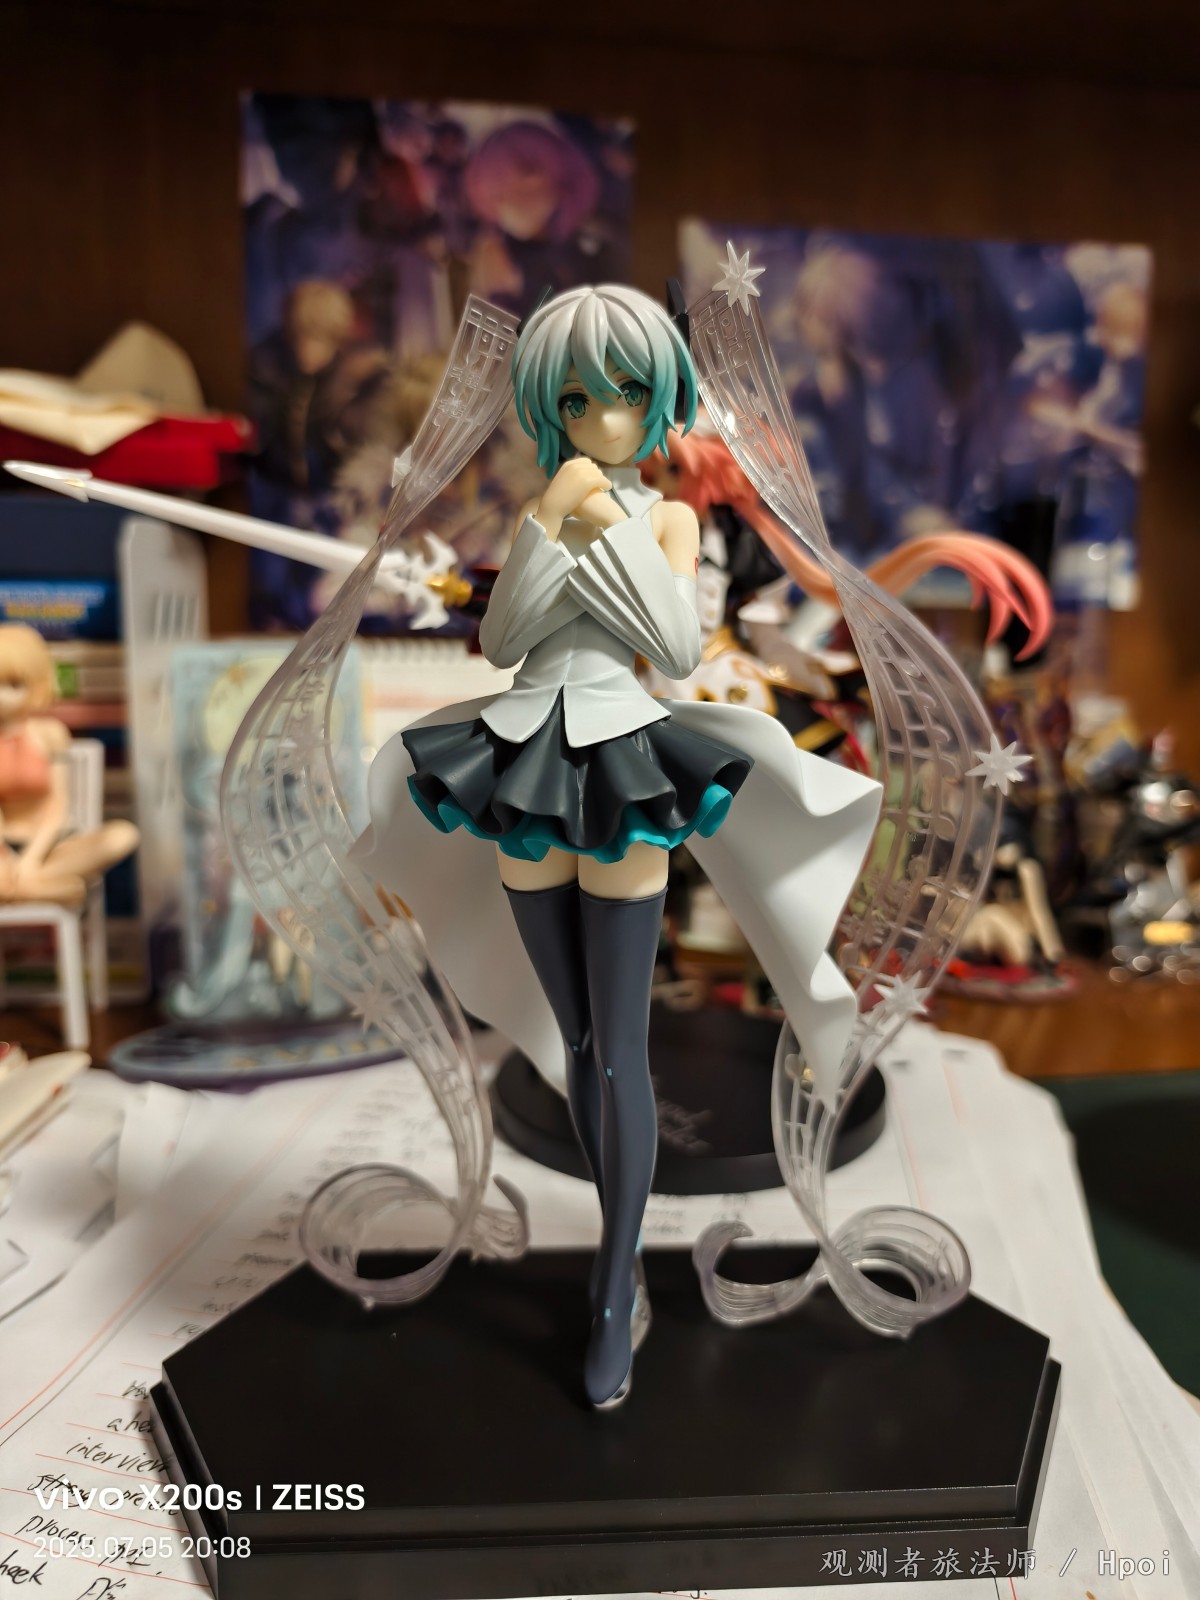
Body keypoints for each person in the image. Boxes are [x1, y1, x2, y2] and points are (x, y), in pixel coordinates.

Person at [353, 286, 882, 1407]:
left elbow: (677, 649)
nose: (604, 417)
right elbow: (504, 642)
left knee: (618, 1050)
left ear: (662, 400)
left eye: (629, 393)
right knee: (577, 1036)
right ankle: (620, 1249)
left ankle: (610, 1279)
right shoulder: (545, 503)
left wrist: (608, 530)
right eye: (578, 398)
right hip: (524, 758)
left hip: (624, 756)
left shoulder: (670, 519)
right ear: (549, 406)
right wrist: (550, 523)